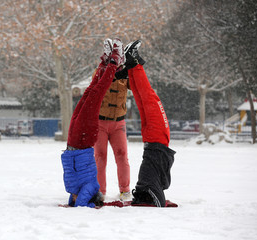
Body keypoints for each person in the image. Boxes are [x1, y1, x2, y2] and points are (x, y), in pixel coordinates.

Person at [61, 38, 125, 207]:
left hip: (73, 142)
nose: (73, 200)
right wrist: (87, 204)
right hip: (83, 139)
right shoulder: (91, 188)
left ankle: (104, 64)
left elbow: (73, 200)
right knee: (98, 93)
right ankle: (114, 61)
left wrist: (70, 202)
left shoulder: (72, 191)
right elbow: (82, 204)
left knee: (89, 91)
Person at [124, 40, 175, 207]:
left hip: (157, 140)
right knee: (141, 98)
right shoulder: (147, 182)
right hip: (151, 140)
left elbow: (159, 202)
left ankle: (133, 61)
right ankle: (132, 64)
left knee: (149, 97)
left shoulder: (150, 184)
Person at [94, 39, 131, 201]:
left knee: (122, 156)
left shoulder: (126, 74)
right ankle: (100, 191)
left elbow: (137, 84)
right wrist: (106, 64)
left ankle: (125, 190)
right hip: (100, 123)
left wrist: (131, 65)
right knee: (100, 157)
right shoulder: (101, 71)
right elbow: (95, 83)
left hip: (119, 123)